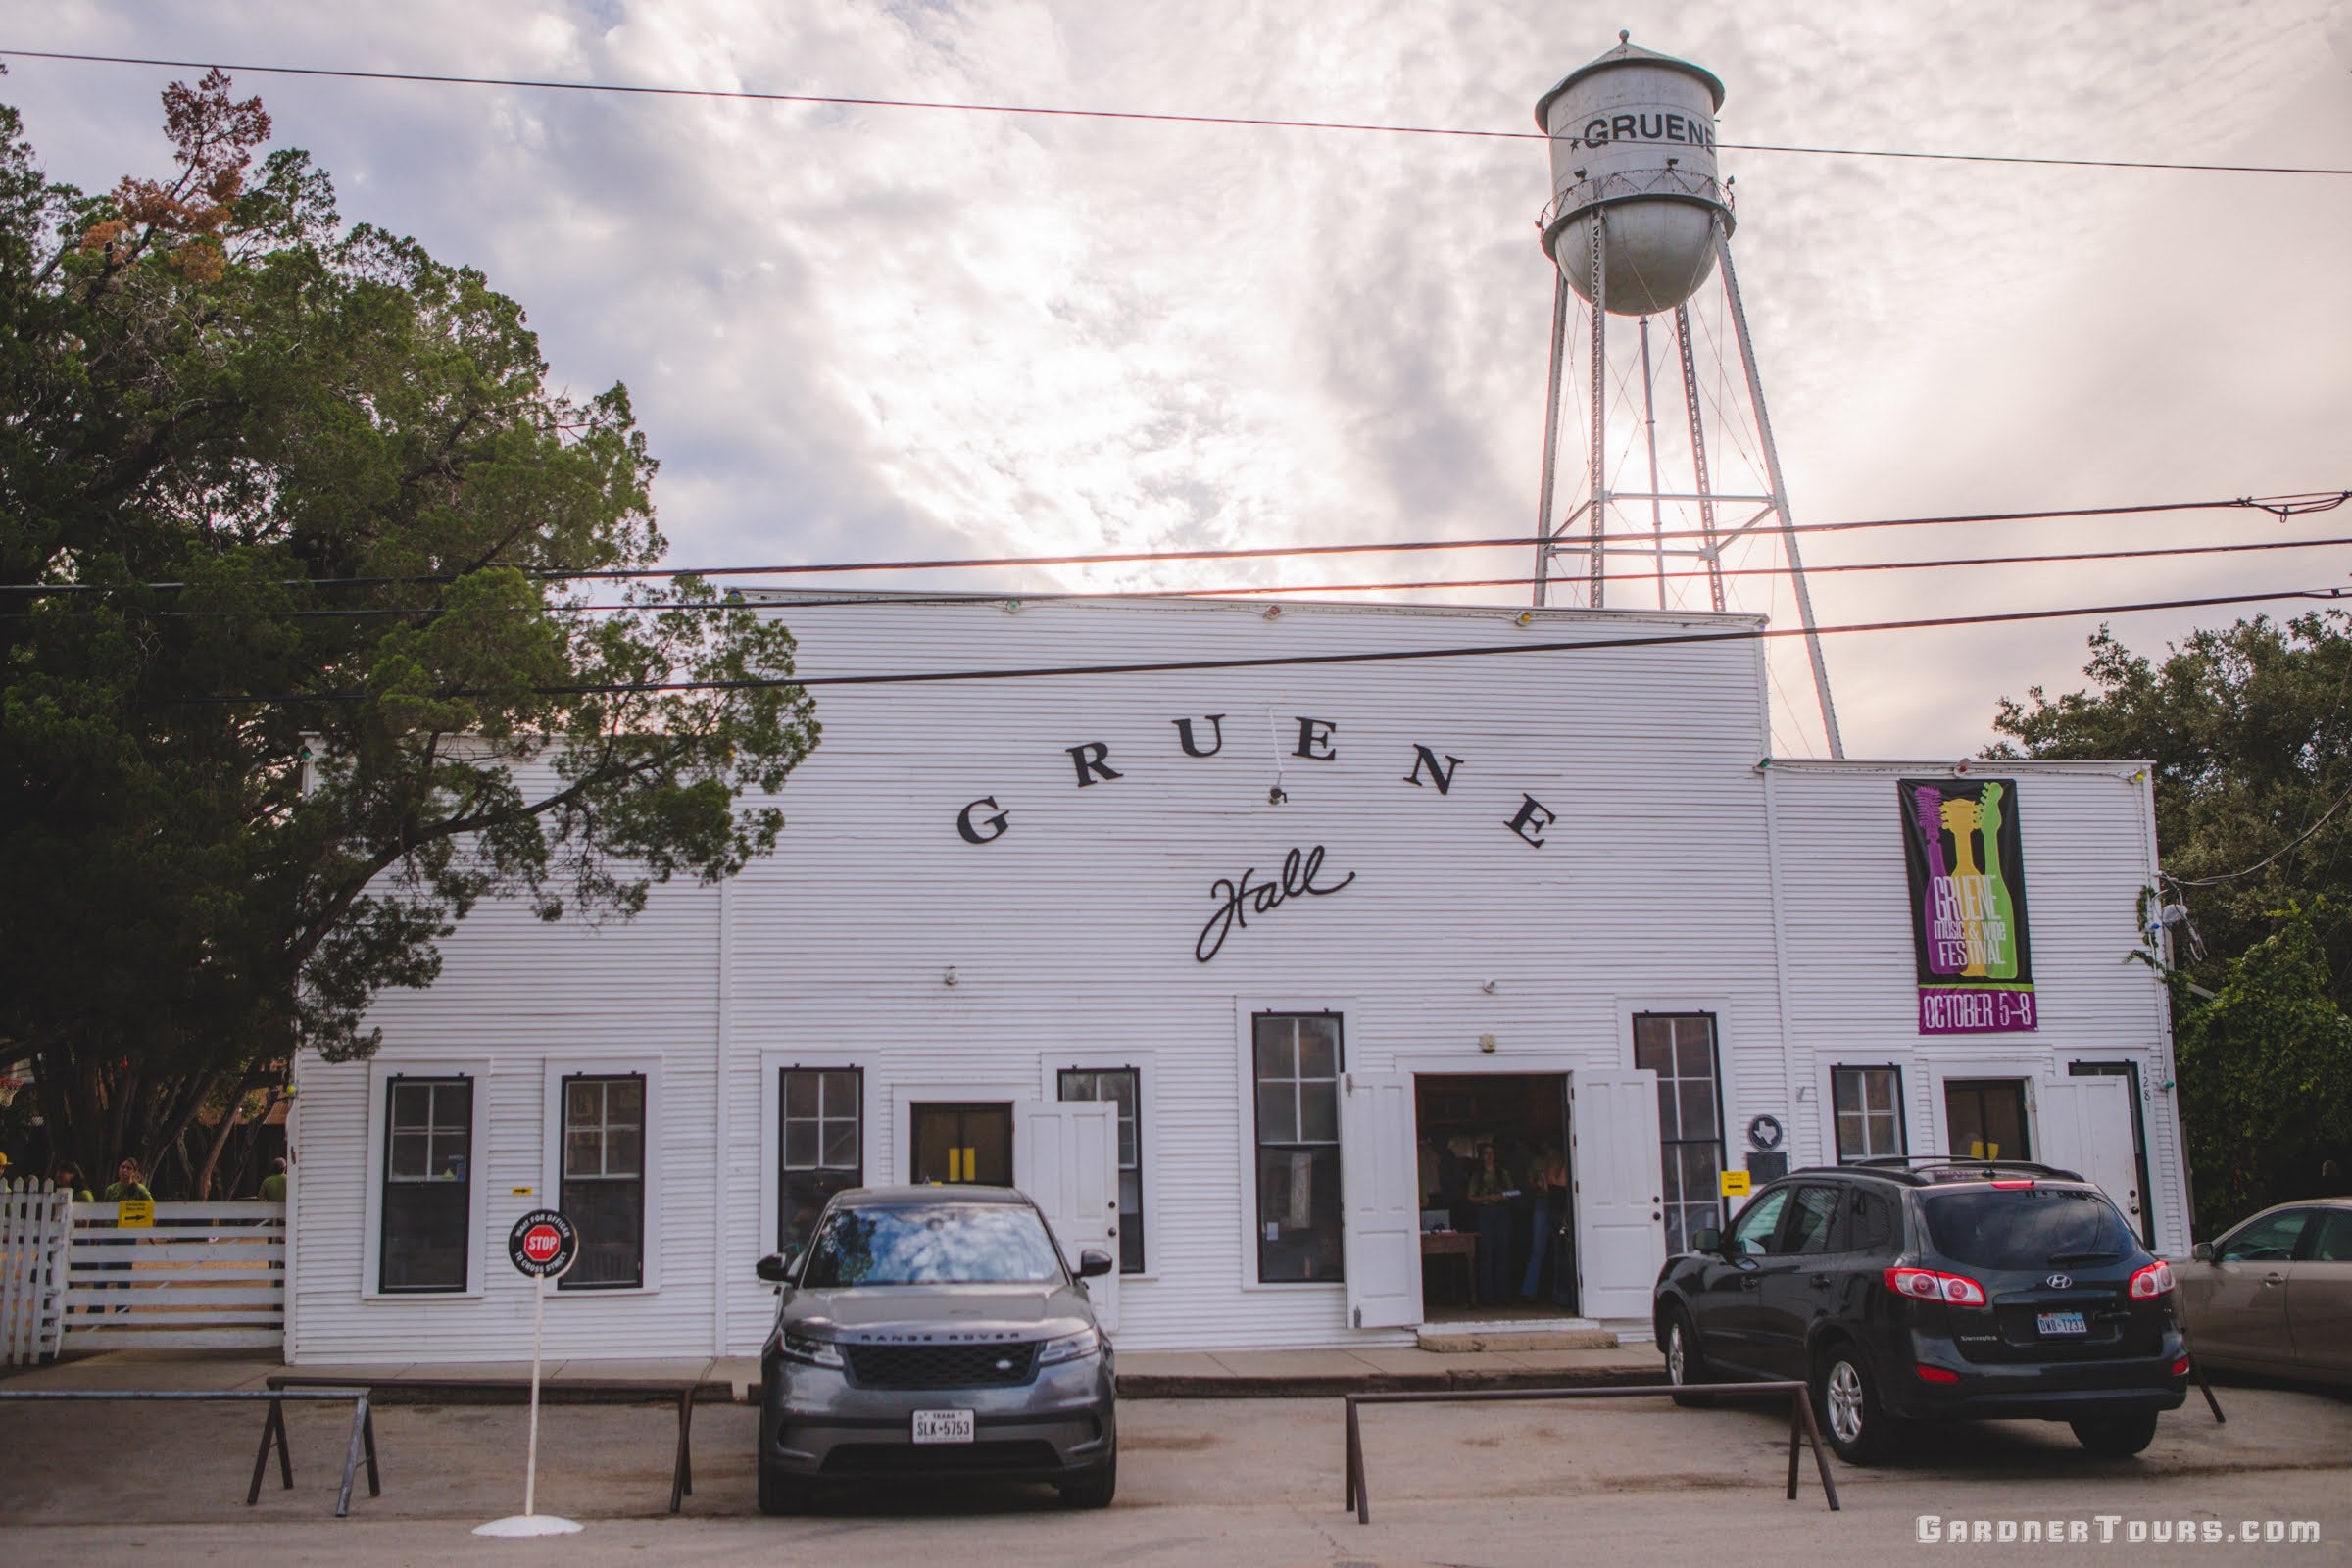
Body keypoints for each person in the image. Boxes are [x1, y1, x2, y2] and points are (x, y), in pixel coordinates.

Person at [1466, 1142, 1516, 1307]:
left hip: (1502, 1213)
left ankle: (1504, 1294)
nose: (1489, 1156)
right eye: (1486, 1153)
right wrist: (1486, 1198)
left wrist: (1501, 1196)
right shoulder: (1477, 1175)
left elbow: (1514, 1192)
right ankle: (1488, 1296)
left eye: (1492, 1153)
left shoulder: (1504, 1173)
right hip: (1484, 1213)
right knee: (1486, 1254)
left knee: (1503, 1253)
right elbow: (1470, 1197)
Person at [100, 1158, 153, 1313]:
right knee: (101, 1272)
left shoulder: (140, 1190)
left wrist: (150, 1232)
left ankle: (122, 1310)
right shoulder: (111, 1189)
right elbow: (103, 1210)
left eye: (129, 1168)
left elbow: (151, 1208)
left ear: (134, 1172)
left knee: (124, 1273)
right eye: (122, 1167)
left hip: (127, 1235)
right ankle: (96, 1309)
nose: (125, 1171)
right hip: (109, 1233)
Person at [1522, 1144, 1569, 1302]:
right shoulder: (1540, 1162)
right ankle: (1535, 1291)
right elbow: (1533, 1183)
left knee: (1560, 1250)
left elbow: (1557, 1185)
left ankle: (1560, 1294)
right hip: (1549, 1206)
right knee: (1548, 1250)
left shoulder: (1562, 1160)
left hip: (1557, 1208)